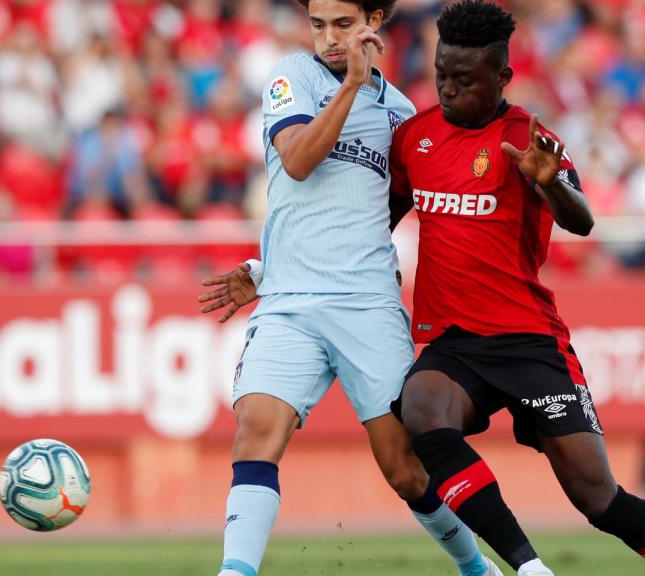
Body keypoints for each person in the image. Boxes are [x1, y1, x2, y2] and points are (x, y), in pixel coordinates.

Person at [204, 3, 645, 576]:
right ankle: (522, 567)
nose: (450, 88)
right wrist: (269, 268)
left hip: (526, 339)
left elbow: (583, 220)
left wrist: (550, 187)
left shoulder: (521, 137)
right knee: (412, 411)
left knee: (594, 497)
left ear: (501, 78)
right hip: (449, 342)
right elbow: (345, 208)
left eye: (464, 79)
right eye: (442, 75)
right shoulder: (408, 132)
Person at [200, 1, 496, 576]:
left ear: (376, 20)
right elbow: (299, 162)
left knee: (406, 469)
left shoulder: (402, 116)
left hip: (368, 304)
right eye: (318, 25)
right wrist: (269, 273)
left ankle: (476, 568)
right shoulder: (292, 76)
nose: (329, 39)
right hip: (289, 305)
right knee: (257, 429)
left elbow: (376, 217)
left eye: (342, 24)